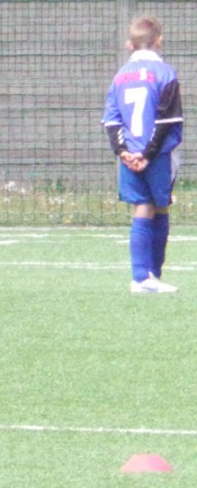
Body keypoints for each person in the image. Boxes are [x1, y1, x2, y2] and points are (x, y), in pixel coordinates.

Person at [102, 15, 183, 293]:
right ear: (159, 41)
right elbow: (167, 120)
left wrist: (123, 151)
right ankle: (151, 276)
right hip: (158, 155)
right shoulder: (165, 74)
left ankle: (141, 277)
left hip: (129, 156)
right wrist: (148, 154)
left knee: (142, 206)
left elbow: (111, 120)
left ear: (130, 45)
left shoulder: (119, 76)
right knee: (159, 206)